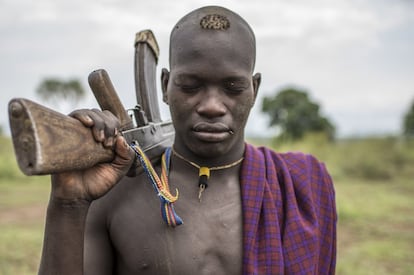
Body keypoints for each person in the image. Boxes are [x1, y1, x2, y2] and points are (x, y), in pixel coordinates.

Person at [38, 5, 336, 275]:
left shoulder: (298, 187)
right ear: (166, 86)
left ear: (254, 89)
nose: (212, 106)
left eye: (233, 87)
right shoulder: (116, 193)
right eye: (190, 86)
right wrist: (68, 203)